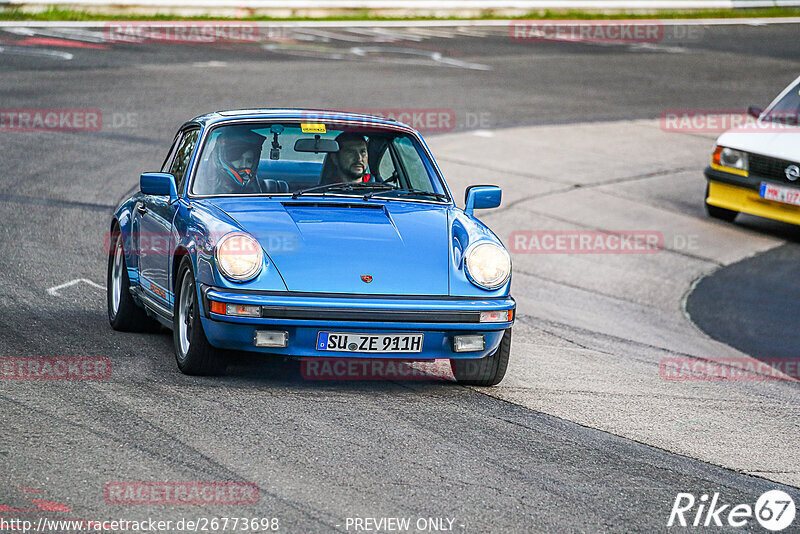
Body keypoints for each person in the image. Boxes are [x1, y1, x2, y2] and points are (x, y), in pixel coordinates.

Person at [207, 129, 265, 194]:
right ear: (224, 160)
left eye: (249, 161)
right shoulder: (204, 188)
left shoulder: (256, 187)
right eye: (237, 158)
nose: (243, 165)